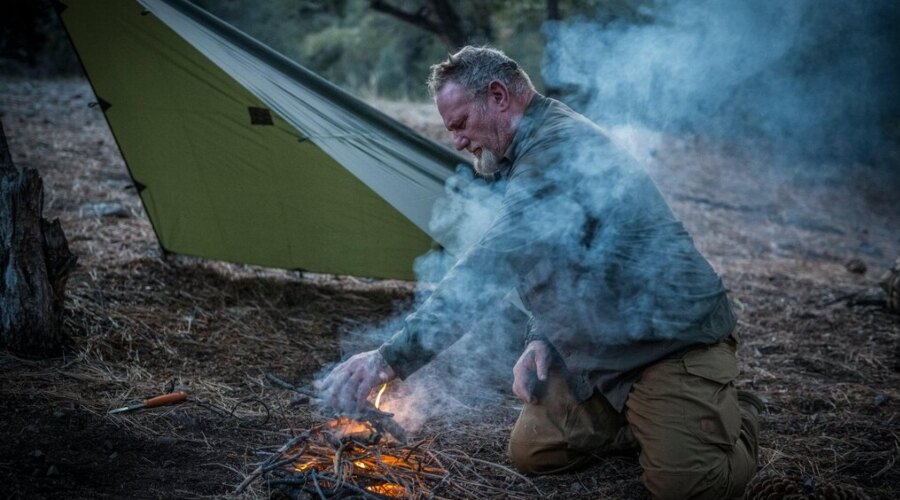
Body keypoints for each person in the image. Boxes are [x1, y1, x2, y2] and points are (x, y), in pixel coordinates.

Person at [319, 46, 762, 499]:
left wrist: (390, 358)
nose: (457, 141)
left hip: (668, 344)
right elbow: (555, 257)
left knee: (687, 488)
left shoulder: (557, 148)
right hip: (602, 349)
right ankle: (652, 425)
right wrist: (541, 335)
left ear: (497, 96)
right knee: (534, 453)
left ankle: (736, 416)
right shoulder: (523, 150)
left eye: (459, 125)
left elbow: (494, 264)